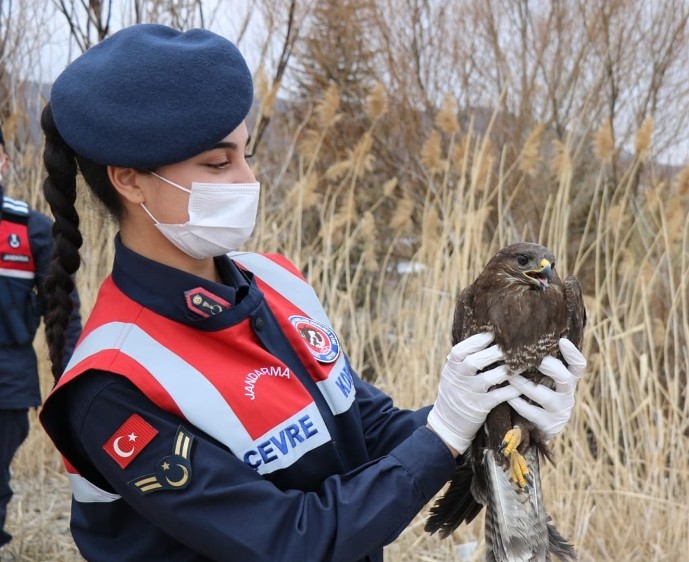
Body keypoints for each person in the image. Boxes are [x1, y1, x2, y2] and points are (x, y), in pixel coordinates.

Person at [36, 23, 586, 562]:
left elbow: (365, 431)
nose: (247, 180)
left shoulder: (275, 282)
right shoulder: (112, 383)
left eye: (249, 155)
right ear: (129, 180)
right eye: (219, 163)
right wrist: (442, 434)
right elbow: (291, 541)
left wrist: (497, 414)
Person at [0, 125, 82, 550]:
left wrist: (69, 383)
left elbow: (62, 311)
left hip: (7, 387)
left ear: (4, 162)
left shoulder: (29, 230)